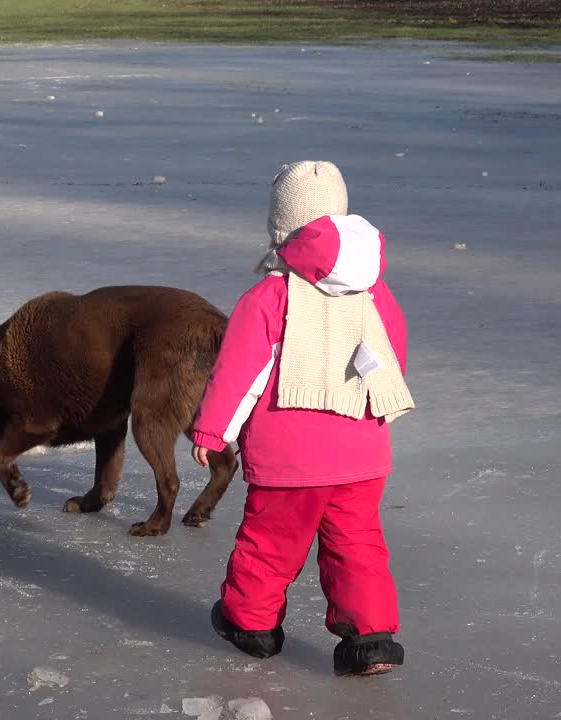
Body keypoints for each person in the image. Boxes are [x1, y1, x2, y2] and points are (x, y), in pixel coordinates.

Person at [190, 160, 414, 677]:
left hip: (289, 460)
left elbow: (241, 371)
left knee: (269, 544)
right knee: (357, 546)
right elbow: (392, 356)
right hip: (363, 454)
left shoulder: (272, 295)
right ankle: (371, 640)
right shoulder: (374, 291)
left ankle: (252, 626)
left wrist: (212, 430)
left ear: (281, 227)